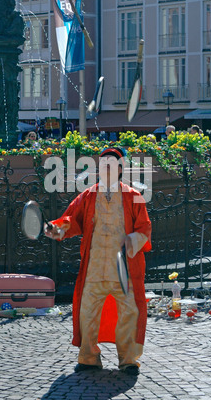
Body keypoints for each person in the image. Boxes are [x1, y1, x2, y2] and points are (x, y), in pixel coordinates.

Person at [44, 147, 152, 376]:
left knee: (129, 313)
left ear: (121, 169)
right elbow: (71, 219)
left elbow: (145, 228)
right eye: (102, 165)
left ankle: (128, 359)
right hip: (94, 268)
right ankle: (89, 357)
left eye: (111, 165)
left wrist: (130, 241)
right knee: (87, 313)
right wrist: (56, 229)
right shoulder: (88, 195)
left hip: (124, 269)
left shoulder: (134, 196)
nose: (105, 168)